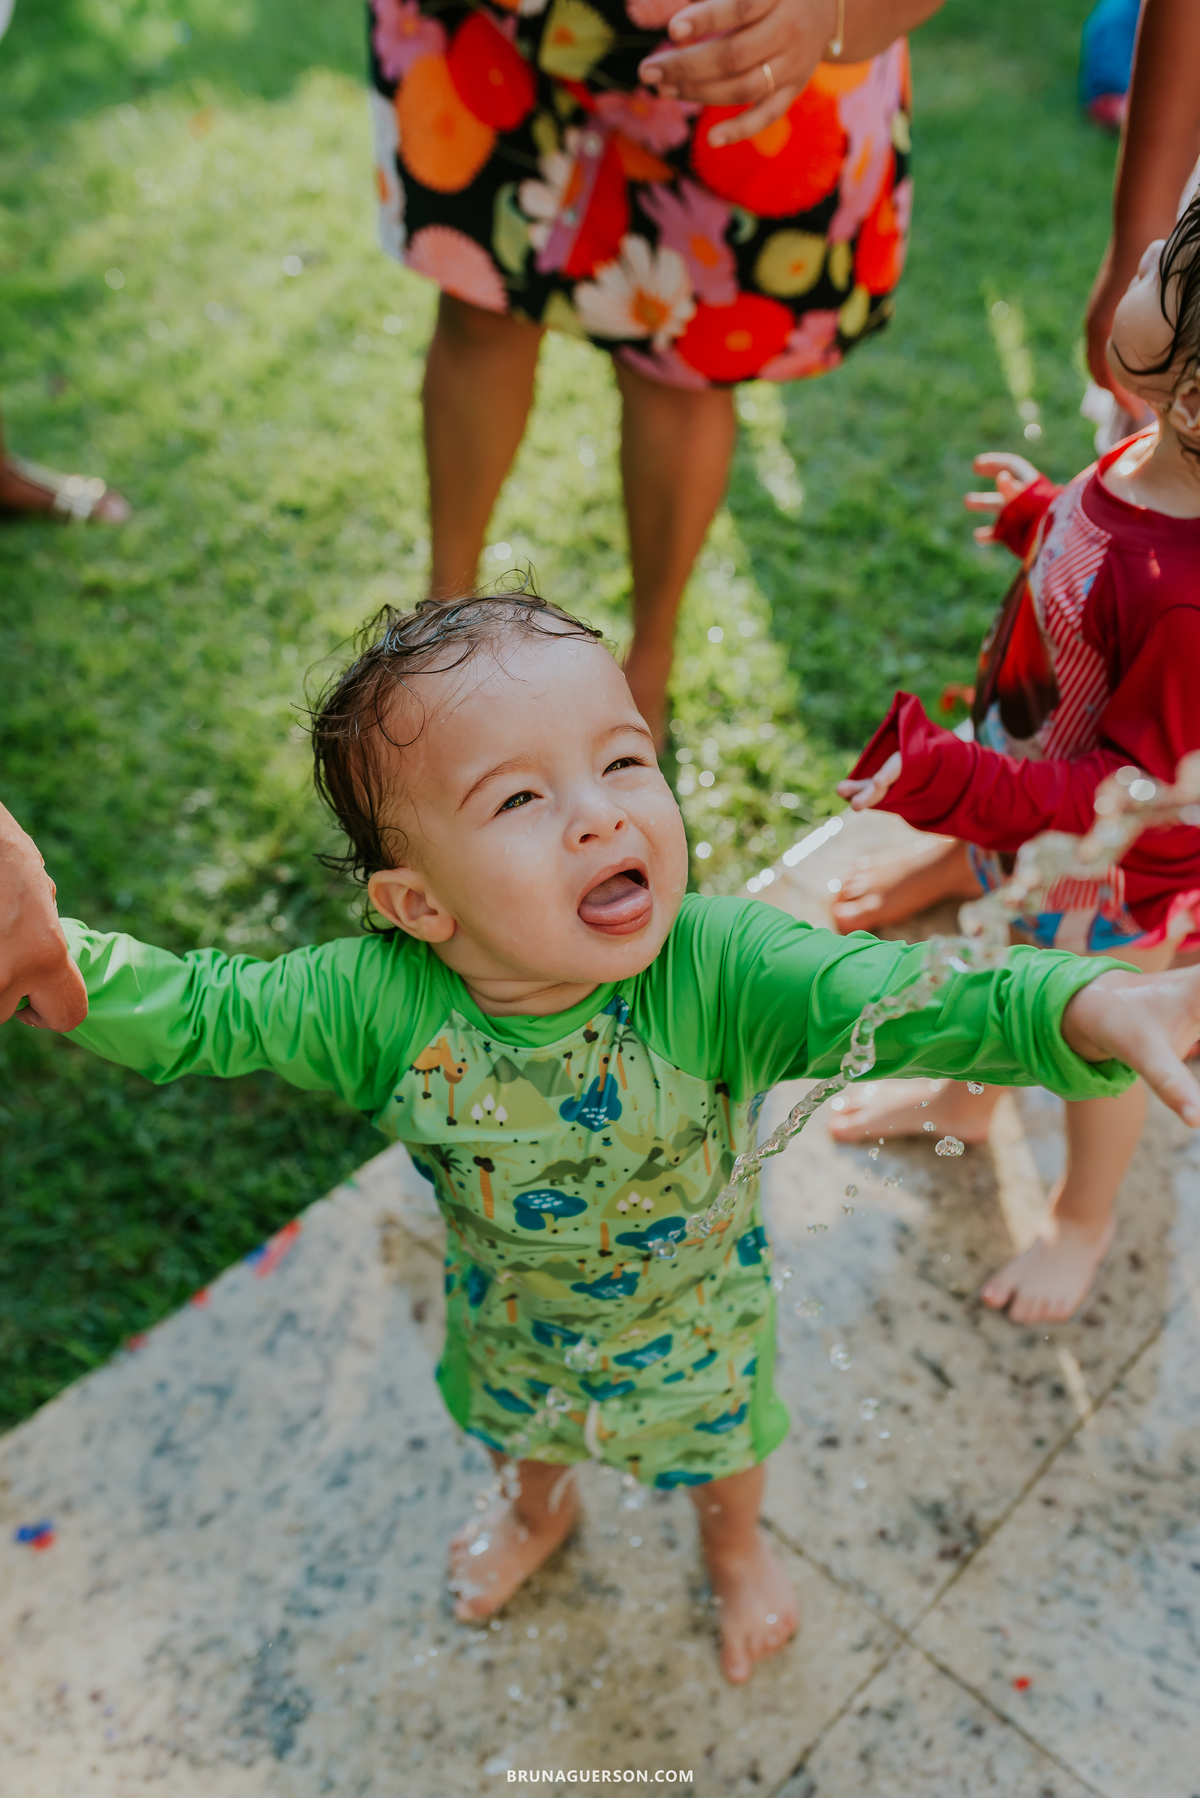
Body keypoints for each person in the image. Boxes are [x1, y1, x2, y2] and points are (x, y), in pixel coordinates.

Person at [10, 591, 1200, 1681]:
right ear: (419, 906)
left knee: (726, 1463)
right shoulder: (376, 1007)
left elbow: (909, 994)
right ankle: (536, 1515)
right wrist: (64, 971)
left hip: (699, 1320)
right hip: (512, 1315)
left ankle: (734, 1553)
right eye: (520, 798)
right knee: (514, 1436)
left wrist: (1085, 1001)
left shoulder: (718, 968)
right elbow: (210, 1009)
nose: (600, 814)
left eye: (625, 760)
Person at [368, 0, 941, 737]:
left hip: (730, 44)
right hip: (498, 24)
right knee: (481, 304)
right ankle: (439, 632)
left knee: (684, 367)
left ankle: (648, 670)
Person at [829, 197, 1200, 1327]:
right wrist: (1048, 517)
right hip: (1035, 832)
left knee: (1093, 1050)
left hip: (1109, 884)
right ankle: (969, 1098)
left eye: (1157, 268)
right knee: (1000, 971)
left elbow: (1129, 798)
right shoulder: (1157, 461)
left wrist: (962, 787)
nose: (1138, 255)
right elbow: (1108, 558)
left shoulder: (1187, 598)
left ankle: (1081, 1218)